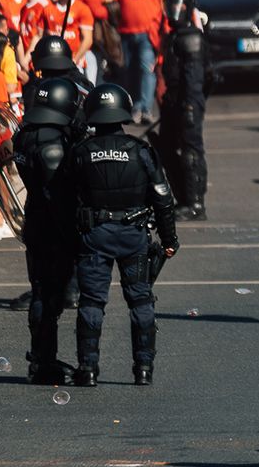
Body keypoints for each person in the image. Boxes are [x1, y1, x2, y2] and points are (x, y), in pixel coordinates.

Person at [59, 84, 177, 387]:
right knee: (140, 302)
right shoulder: (141, 151)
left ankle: (88, 368)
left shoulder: (80, 152)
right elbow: (163, 198)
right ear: (123, 111)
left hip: (94, 234)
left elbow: (64, 198)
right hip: (133, 234)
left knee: (92, 302)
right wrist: (169, 240)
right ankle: (143, 369)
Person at [14, 76, 82, 384]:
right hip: (52, 225)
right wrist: (72, 231)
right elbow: (56, 192)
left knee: (44, 291)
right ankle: (43, 361)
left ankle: (42, 357)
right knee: (48, 295)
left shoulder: (26, 134)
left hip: (35, 220)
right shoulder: (51, 142)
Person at [157, 0, 208, 220]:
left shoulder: (191, 37)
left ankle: (196, 203)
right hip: (174, 99)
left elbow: (194, 77)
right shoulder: (174, 35)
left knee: (190, 151)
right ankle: (183, 198)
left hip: (188, 100)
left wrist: (189, 106)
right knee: (165, 148)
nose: (172, 11)